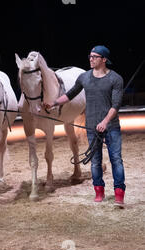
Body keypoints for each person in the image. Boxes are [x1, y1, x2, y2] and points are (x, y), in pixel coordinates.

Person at [44, 45, 126, 205]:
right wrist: (53, 103)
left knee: (116, 159)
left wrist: (105, 122)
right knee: (95, 161)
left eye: (95, 56)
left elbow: (115, 105)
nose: (91, 59)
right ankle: (99, 191)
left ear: (104, 60)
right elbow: (70, 95)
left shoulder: (116, 79)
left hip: (111, 127)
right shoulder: (84, 77)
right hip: (91, 128)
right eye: (90, 56)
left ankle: (119, 193)